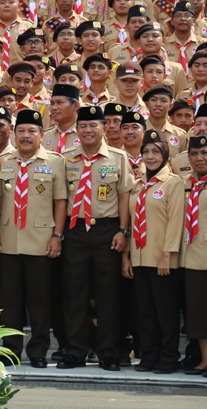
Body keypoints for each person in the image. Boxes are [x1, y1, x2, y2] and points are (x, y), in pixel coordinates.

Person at [58, 105, 133, 371]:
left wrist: (123, 231)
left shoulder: (117, 157)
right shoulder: (65, 158)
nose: (88, 130)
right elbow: (60, 198)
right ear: (77, 130)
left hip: (106, 230)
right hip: (75, 230)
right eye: (83, 126)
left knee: (108, 294)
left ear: (104, 128)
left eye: (94, 125)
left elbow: (124, 195)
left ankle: (108, 353)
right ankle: (76, 351)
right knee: (74, 293)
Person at [0, 109, 66, 368]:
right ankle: (11, 350)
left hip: (40, 240)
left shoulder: (56, 162)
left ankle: (38, 351)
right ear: (14, 133)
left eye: (31, 131)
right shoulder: (3, 159)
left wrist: (57, 236)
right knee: (10, 300)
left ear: (41, 135)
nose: (26, 136)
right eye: (21, 131)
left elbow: (60, 201)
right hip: (9, 239)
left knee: (39, 300)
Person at [121, 130, 184, 374]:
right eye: (146, 151)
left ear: (165, 155)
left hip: (162, 259)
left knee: (165, 312)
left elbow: (176, 221)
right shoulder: (138, 185)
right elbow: (130, 223)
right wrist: (126, 256)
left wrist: (167, 254)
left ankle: (168, 356)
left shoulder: (173, 183)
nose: (149, 156)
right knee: (145, 311)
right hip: (139, 257)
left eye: (155, 151)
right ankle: (149, 354)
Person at [181, 134, 207, 377]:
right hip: (192, 256)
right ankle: (204, 360)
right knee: (198, 312)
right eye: (195, 154)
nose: (200, 158)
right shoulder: (186, 183)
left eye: (205, 153)